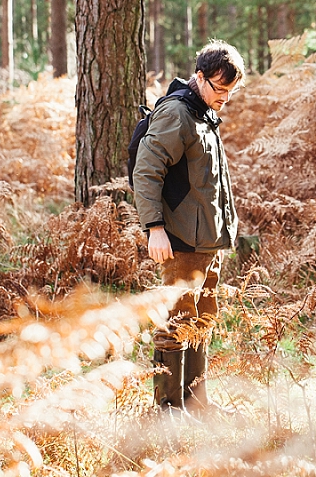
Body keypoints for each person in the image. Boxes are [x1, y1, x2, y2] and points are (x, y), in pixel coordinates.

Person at [132, 40, 245, 416]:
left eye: (231, 91)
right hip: (179, 242)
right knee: (177, 322)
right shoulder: (177, 114)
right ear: (200, 77)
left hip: (207, 242)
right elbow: (147, 172)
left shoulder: (205, 113)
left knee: (202, 320)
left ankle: (197, 404)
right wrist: (154, 228)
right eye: (220, 88)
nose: (225, 97)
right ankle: (168, 410)